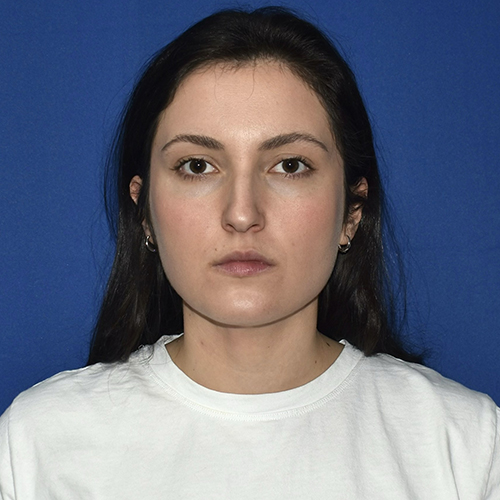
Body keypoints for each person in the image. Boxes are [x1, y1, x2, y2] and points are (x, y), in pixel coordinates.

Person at [0, 7, 498, 499]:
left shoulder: (466, 445)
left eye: (290, 165)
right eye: (198, 166)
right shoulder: (37, 445)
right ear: (144, 211)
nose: (242, 214)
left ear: (352, 211)